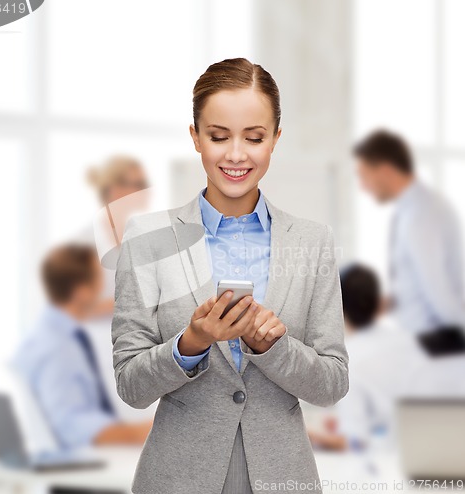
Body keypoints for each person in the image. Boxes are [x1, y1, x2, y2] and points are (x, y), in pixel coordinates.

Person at [112, 58, 349, 494]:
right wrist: (190, 345)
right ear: (195, 138)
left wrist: (273, 348)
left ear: (276, 139)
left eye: (254, 138)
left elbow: (332, 383)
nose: (236, 154)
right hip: (177, 477)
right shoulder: (148, 239)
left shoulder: (312, 241)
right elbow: (130, 383)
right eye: (218, 136)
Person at [11, 244, 153, 449]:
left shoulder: (51, 335)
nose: (104, 286)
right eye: (98, 279)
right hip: (78, 470)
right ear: (81, 292)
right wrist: (145, 431)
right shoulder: (58, 346)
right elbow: (73, 426)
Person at [353, 129, 465, 353]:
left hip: (435, 346)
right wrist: (393, 301)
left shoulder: (420, 215)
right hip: (428, 342)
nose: (363, 186)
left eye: (364, 176)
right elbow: (424, 279)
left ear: (384, 171)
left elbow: (439, 289)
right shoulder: (416, 209)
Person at [309, 264, 422, 452]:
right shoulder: (407, 342)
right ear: (379, 302)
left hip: (384, 466)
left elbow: (355, 442)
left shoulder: (348, 360)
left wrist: (311, 437)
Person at [78, 155, 150, 318]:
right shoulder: (86, 242)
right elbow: (78, 309)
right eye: (139, 185)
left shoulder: (138, 235)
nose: (146, 191)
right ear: (114, 190)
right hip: (95, 336)